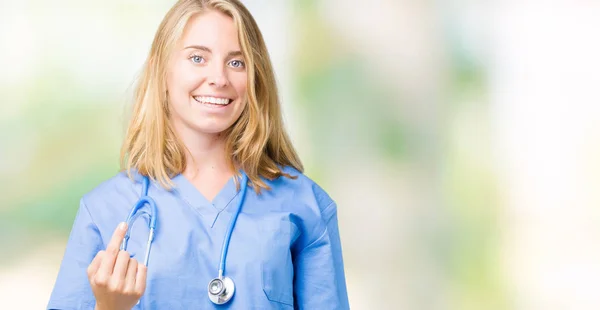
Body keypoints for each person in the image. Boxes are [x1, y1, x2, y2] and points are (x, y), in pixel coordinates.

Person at [46, 0, 349, 309]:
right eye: (197, 58)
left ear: (255, 78)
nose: (219, 78)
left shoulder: (305, 205)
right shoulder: (105, 210)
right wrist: (110, 307)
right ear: (160, 71)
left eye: (236, 62)